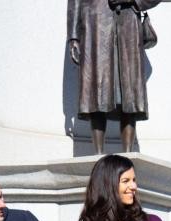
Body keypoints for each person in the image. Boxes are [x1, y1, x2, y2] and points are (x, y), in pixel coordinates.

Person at [67, 0, 161, 154]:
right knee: (97, 87)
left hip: (128, 22)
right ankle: (97, 155)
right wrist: (73, 36)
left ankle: (128, 154)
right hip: (95, 20)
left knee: (129, 89)